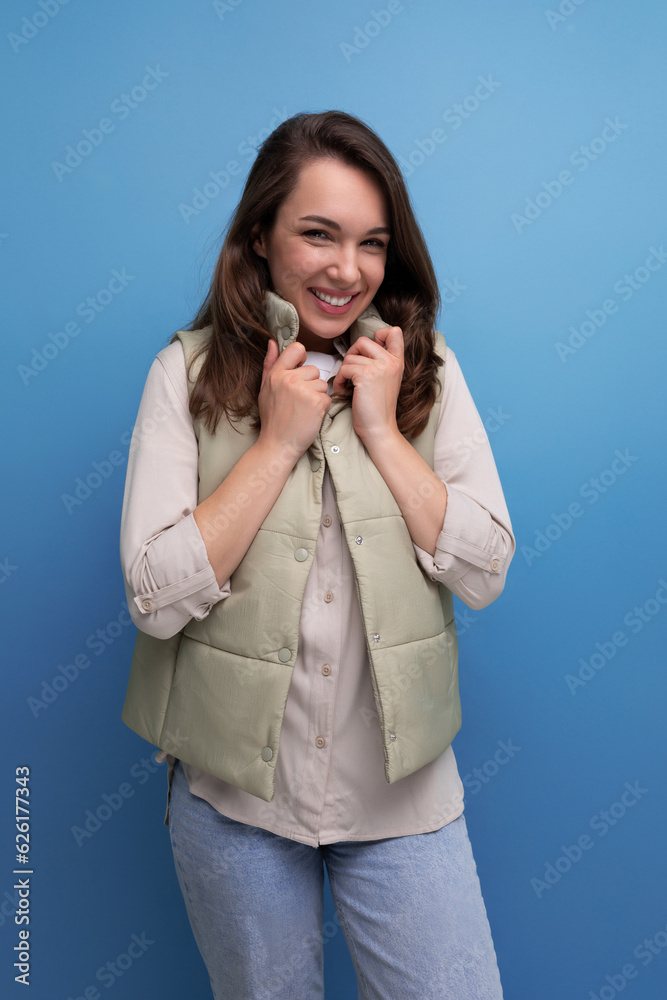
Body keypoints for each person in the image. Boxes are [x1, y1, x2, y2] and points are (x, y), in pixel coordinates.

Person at [119, 109, 515, 1000]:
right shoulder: (182, 377)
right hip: (235, 806)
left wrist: (381, 430)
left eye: (371, 243)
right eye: (317, 234)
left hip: (401, 794)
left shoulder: (428, 373)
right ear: (260, 236)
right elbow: (152, 597)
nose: (347, 269)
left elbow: (485, 569)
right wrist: (274, 446)